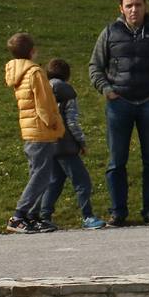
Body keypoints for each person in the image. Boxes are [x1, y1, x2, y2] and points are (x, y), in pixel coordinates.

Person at [88, 0, 149, 227]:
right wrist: (107, 91)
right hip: (119, 105)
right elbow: (95, 66)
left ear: (145, 6)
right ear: (121, 9)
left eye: (138, 5)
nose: (134, 10)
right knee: (116, 161)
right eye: (129, 6)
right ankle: (118, 213)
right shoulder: (109, 32)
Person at [32, 59, 106, 230]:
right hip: (65, 144)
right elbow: (71, 121)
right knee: (82, 181)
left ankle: (44, 216)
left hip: (47, 143)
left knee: (55, 181)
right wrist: (81, 142)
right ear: (67, 75)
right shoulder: (67, 92)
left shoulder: (42, 90)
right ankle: (87, 216)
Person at [3, 33, 65, 234]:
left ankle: (32, 215)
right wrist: (54, 123)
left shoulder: (17, 73)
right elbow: (44, 103)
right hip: (40, 130)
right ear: (32, 51)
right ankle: (19, 215)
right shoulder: (35, 72)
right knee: (41, 175)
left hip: (29, 130)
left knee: (36, 173)